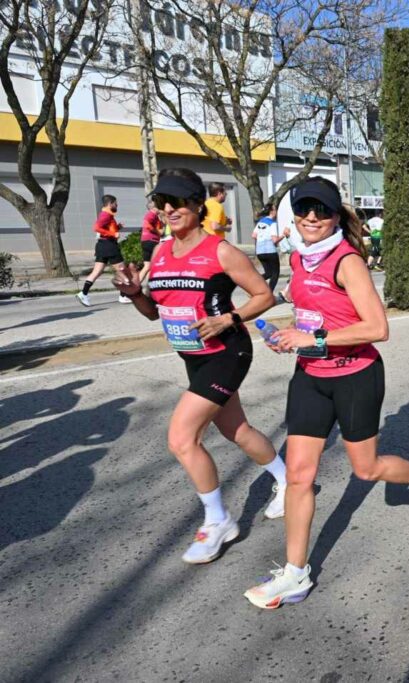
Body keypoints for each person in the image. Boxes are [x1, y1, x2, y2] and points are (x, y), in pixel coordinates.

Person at [243, 178, 409, 608]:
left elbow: (378, 328)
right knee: (300, 476)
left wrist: (311, 338)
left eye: (321, 211)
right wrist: (286, 336)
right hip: (310, 378)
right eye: (304, 210)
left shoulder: (347, 260)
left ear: (336, 215)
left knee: (367, 469)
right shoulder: (300, 257)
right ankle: (295, 573)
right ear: (294, 215)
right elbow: (304, 310)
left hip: (355, 375)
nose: (312, 218)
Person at [111, 168, 287, 563]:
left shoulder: (220, 251)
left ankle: (218, 520)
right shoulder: (160, 252)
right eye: (161, 203)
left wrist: (229, 319)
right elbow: (153, 313)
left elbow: (264, 296)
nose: (168, 209)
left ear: (196, 204)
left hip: (227, 352)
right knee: (235, 429)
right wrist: (135, 292)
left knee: (181, 438)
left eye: (176, 201)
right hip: (192, 356)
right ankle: (286, 478)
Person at [77, 195, 132, 306]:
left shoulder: (107, 215)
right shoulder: (106, 215)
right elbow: (96, 228)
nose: (117, 205)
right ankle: (123, 296)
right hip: (109, 246)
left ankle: (83, 294)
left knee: (96, 272)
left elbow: (105, 229)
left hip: (102, 245)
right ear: (110, 203)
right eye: (115, 203)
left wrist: (118, 227)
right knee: (123, 271)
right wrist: (113, 233)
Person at [253, 204, 287, 293]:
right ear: (272, 211)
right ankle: (269, 294)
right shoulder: (272, 223)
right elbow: (275, 240)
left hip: (260, 251)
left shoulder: (260, 222)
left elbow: (253, 235)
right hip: (270, 251)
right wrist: (283, 235)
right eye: (275, 209)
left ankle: (252, 286)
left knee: (268, 273)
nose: (276, 211)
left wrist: (262, 238)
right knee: (275, 274)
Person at [139, 199, 163, 283]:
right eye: (159, 207)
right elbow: (146, 224)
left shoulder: (154, 216)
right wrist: (158, 232)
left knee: (147, 266)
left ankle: (136, 286)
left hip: (146, 241)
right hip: (151, 241)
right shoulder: (151, 214)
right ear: (154, 208)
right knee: (159, 263)